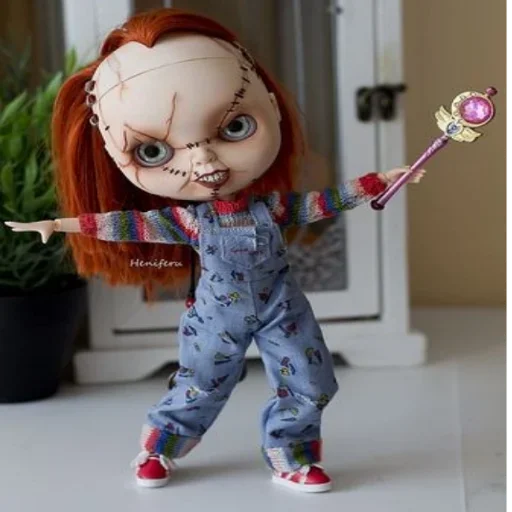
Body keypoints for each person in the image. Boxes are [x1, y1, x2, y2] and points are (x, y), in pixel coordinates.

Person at [4, 8, 425, 493]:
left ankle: (291, 454)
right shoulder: (185, 220)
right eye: (154, 152)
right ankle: (160, 445)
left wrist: (379, 181)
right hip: (215, 314)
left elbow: (322, 203)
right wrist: (59, 223)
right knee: (201, 382)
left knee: (312, 380)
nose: (204, 161)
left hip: (281, 305)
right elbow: (127, 224)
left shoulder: (273, 208)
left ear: (271, 104)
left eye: (235, 126)